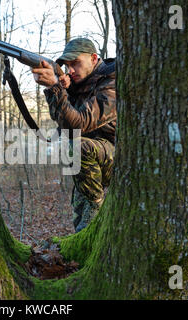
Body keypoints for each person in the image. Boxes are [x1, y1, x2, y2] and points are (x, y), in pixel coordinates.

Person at [32, 38, 116, 232]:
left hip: (120, 158)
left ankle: (98, 209)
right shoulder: (79, 84)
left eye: (75, 63)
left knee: (78, 148)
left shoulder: (112, 80)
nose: (70, 70)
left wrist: (56, 88)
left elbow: (79, 124)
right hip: (92, 159)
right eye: (67, 65)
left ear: (94, 58)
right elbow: (65, 128)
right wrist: (59, 91)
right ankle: (83, 238)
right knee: (80, 212)